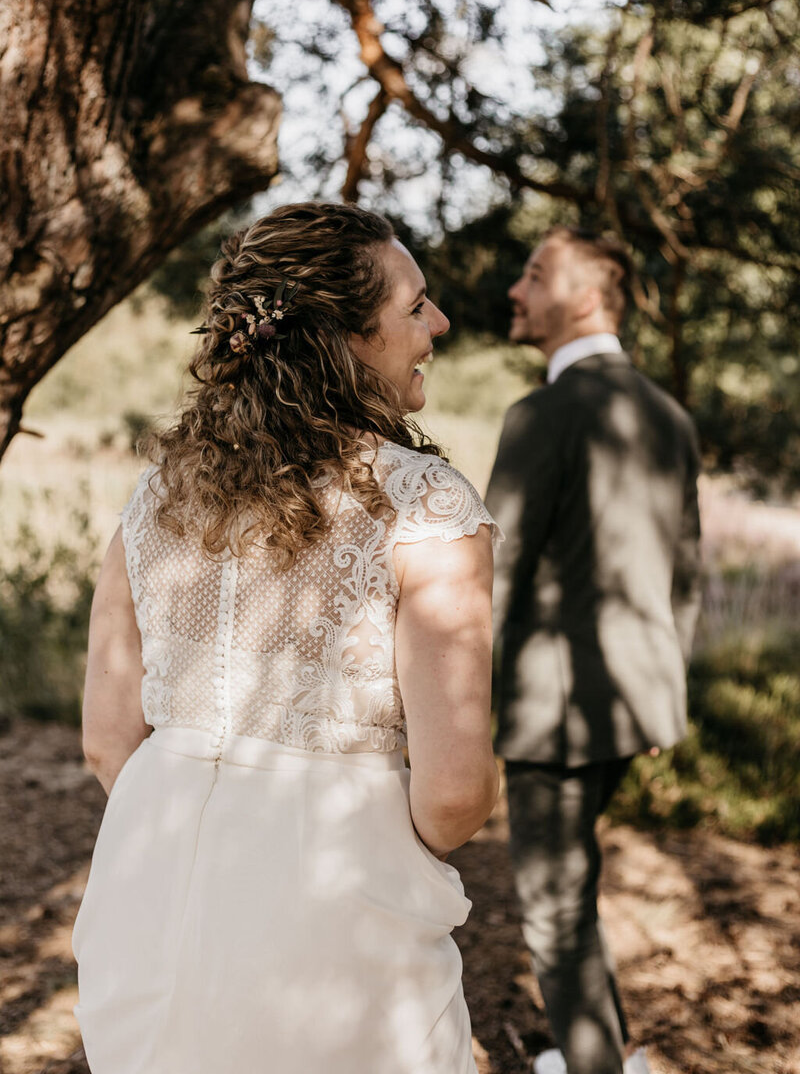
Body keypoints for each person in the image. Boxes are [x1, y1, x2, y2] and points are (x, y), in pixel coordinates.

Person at [73, 202, 501, 1074]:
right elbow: (454, 796)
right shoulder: (427, 504)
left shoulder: (156, 495)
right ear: (345, 338)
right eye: (416, 306)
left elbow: (107, 740)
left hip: (152, 888)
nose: (439, 323)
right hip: (339, 909)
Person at [484, 227, 701, 1074]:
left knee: (551, 906)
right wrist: (665, 691)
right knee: (573, 891)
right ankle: (609, 1055)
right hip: (638, 699)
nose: (515, 289)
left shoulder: (541, 415)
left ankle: (594, 1069)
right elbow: (687, 571)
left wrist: (442, 707)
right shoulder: (669, 414)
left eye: (533, 273)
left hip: (559, 707)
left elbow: (494, 578)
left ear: (584, 297)